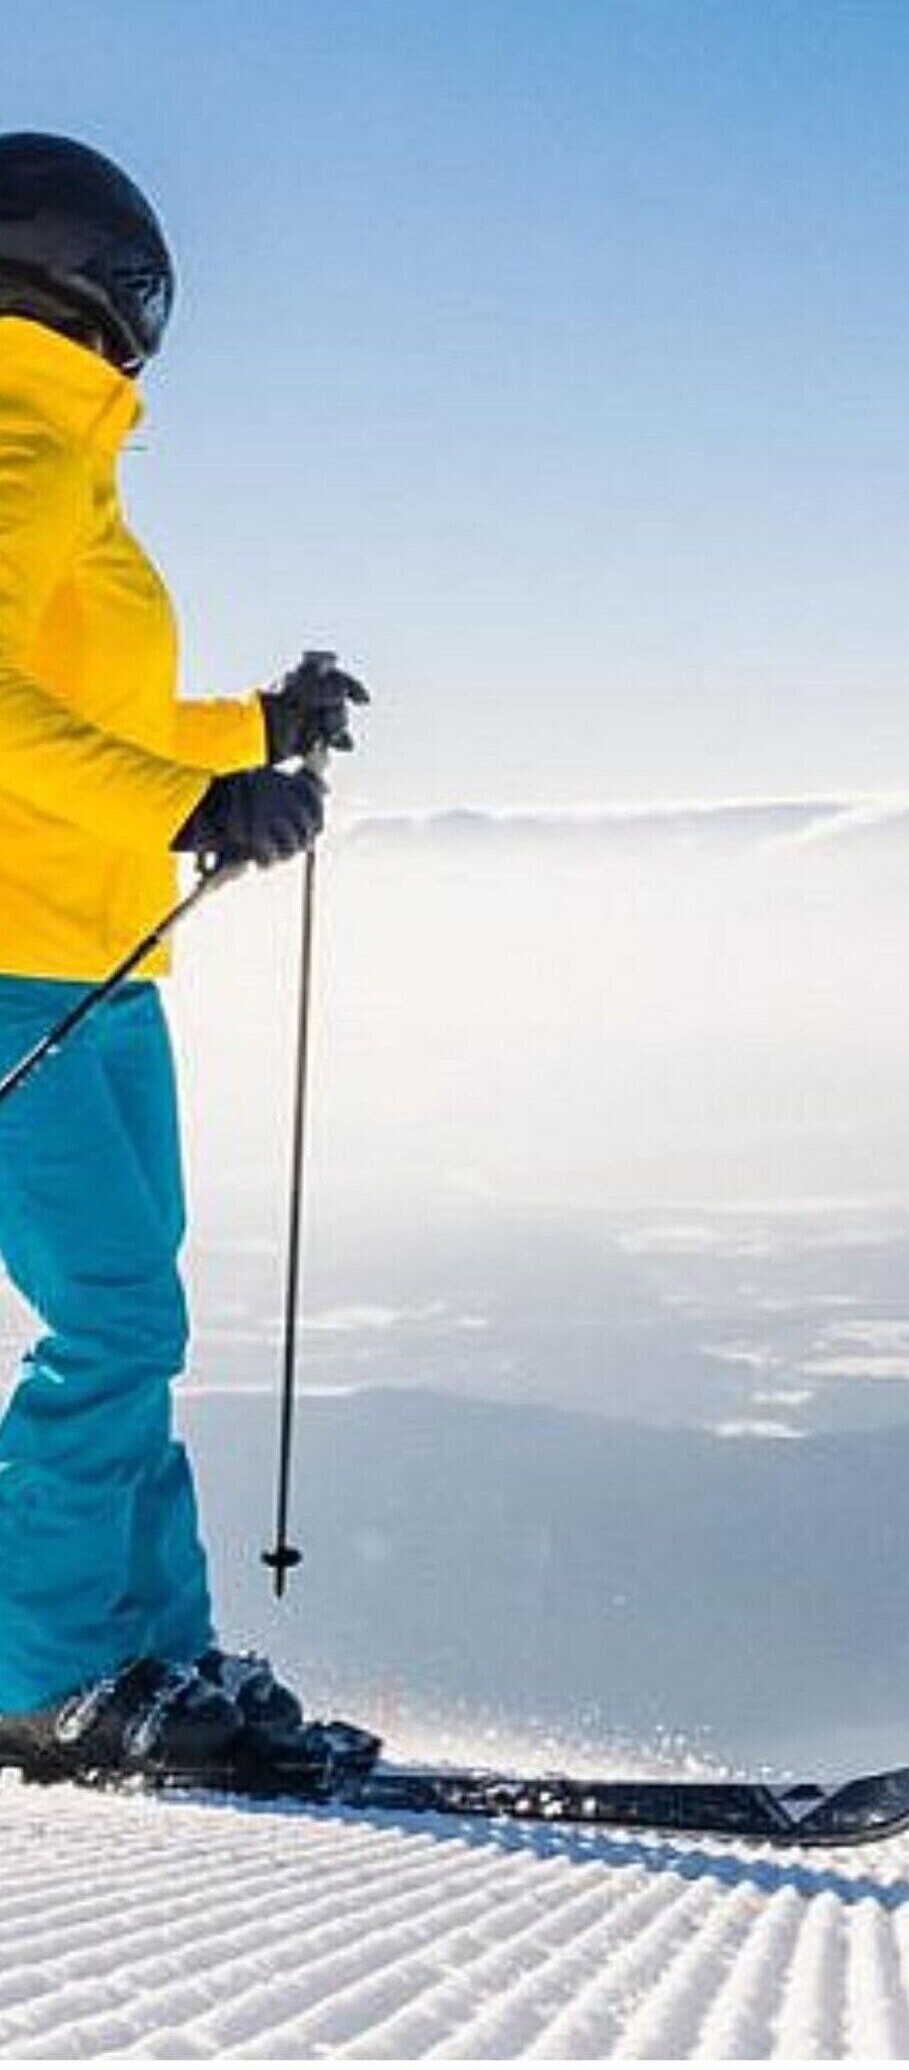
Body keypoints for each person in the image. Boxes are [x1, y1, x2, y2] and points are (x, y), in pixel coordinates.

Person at [0, 132, 367, 1776]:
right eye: (142, 282)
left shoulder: (64, 445)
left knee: (138, 1317)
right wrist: (190, 800)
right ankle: (49, 1673)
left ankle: (152, 1654)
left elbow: (90, 706)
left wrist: (253, 732)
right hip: (20, 957)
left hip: (102, 961)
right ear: (77, 267)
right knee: (116, 1322)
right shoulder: (8, 423)